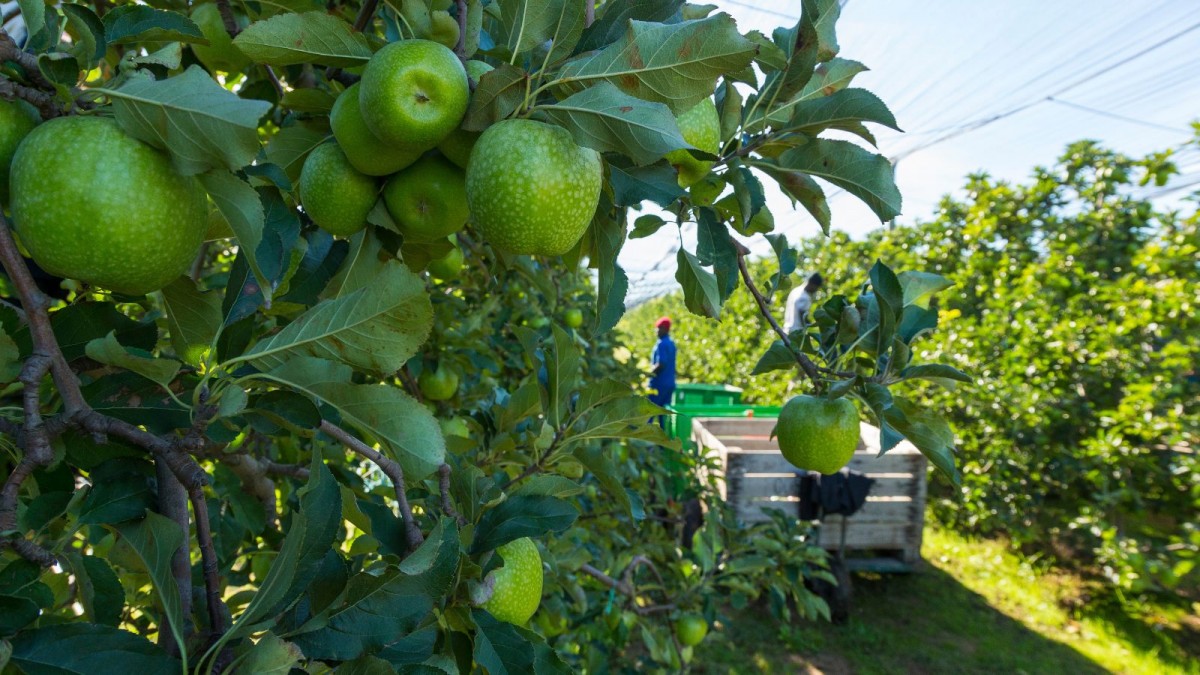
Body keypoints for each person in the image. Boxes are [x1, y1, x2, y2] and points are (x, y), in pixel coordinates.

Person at [648, 317, 677, 426]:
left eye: (658, 328)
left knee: (649, 411)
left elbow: (661, 363)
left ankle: (645, 440)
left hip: (659, 384)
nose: (656, 331)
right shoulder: (671, 343)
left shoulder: (661, 344)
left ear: (664, 329)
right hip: (669, 383)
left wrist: (648, 374)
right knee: (664, 414)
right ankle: (664, 441)